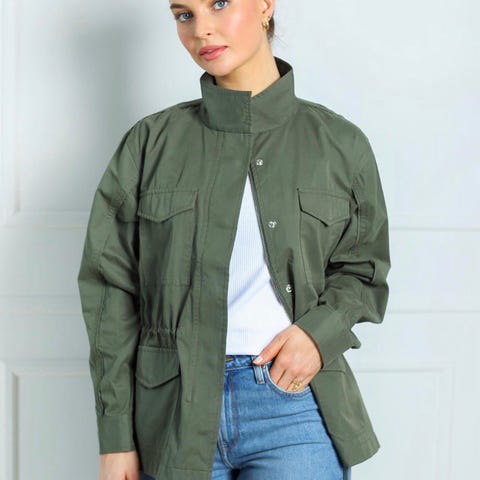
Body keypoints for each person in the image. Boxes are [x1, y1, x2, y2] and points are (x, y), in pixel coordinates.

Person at [77, 1, 391, 479]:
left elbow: (364, 270)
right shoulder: (150, 143)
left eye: (219, 3)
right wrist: (116, 435)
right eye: (183, 14)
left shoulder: (340, 144)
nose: (200, 29)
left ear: (265, 5)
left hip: (295, 406)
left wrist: (317, 334)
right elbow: (110, 291)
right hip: (173, 414)